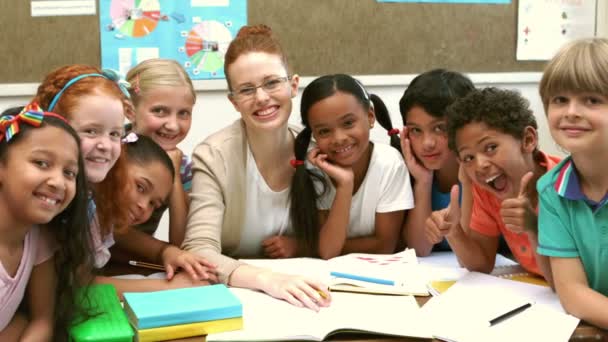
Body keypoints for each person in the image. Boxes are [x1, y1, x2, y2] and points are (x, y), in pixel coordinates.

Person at [181, 24, 331, 311]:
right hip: (241, 295)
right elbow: (198, 250)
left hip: (309, 292)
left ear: (294, 85)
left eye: (272, 83)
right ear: (234, 101)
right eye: (246, 90)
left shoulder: (317, 149)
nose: (261, 98)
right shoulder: (213, 156)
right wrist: (268, 279)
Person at [33, 65, 214, 295]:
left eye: (114, 134)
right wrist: (165, 283)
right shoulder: (81, 176)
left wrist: (165, 251)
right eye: (90, 131)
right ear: (132, 112)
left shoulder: (93, 176)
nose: (172, 124)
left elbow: (111, 228)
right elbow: (75, 282)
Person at [426, 87, 559, 283]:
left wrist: (533, 228)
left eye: (491, 148)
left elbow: (567, 279)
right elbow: (481, 265)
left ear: (528, 140)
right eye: (468, 157)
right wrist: (454, 232)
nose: (480, 165)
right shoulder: (488, 192)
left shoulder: (567, 187)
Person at [289, 74, 413, 259]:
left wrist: (305, 248)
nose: (339, 138)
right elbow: (328, 251)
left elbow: (384, 246)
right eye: (324, 131)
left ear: (370, 117)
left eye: (348, 123)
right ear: (313, 134)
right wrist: (345, 185)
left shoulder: (389, 163)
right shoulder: (314, 169)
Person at [0, 104, 93, 341]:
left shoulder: (39, 237)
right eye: (41, 163)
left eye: (69, 173)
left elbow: (42, 321)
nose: (58, 182)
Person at [537, 37, 608, 328]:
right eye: (560, 100)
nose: (571, 112)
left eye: (592, 99)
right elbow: (573, 293)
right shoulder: (550, 191)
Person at [398, 69, 475, 256]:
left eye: (440, 128)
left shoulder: (482, 171)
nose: (427, 143)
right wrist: (423, 181)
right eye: (416, 130)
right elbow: (419, 249)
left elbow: (475, 250)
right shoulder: (404, 173)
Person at [123, 58, 195, 245]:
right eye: (160, 111)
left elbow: (184, 243)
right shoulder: (110, 151)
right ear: (130, 111)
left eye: (183, 113)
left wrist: (175, 179)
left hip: (138, 263)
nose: (173, 125)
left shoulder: (183, 166)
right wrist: (163, 253)